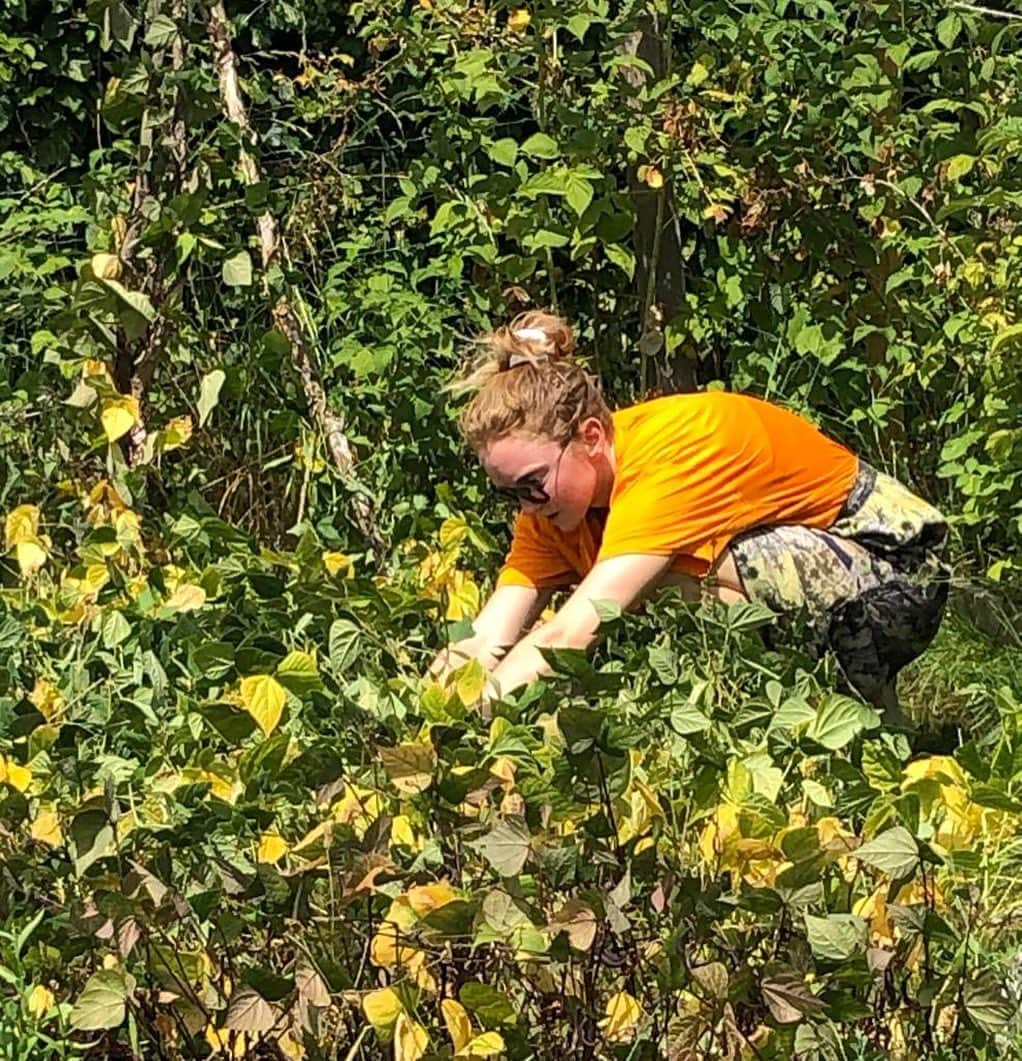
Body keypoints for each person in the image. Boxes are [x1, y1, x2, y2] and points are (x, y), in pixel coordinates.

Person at [430, 310, 949, 725]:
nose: (526, 506)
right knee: (651, 583)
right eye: (509, 494)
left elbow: (572, 632)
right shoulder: (551, 504)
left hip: (899, 573)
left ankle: (855, 714)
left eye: (533, 485)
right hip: (836, 571)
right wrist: (428, 710)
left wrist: (475, 720)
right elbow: (488, 635)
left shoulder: (670, 456)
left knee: (664, 580)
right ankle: (852, 723)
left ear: (590, 437)